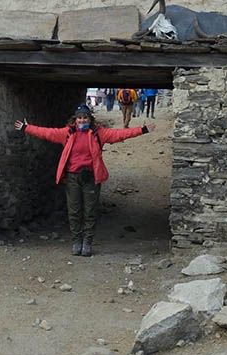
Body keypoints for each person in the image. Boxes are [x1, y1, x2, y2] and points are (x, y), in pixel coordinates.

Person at [15, 103, 154, 256]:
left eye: (85, 117)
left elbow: (119, 134)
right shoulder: (67, 133)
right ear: (75, 119)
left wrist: (142, 130)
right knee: (74, 211)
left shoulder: (98, 133)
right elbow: (47, 133)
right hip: (73, 177)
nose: (82, 120)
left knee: (90, 211)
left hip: (91, 177)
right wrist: (26, 128)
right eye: (80, 118)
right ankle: (77, 241)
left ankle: (87, 242)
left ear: (90, 119)